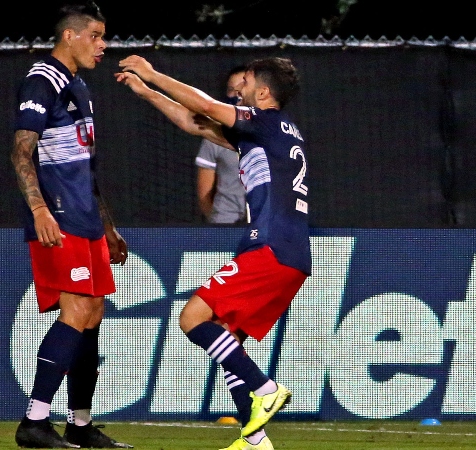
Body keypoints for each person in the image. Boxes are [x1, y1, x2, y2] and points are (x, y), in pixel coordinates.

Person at [116, 56, 310, 450]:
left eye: (246, 82)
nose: (238, 89)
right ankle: (254, 441)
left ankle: (265, 388)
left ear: (264, 93)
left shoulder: (264, 122)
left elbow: (204, 106)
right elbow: (195, 123)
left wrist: (152, 73)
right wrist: (146, 92)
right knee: (225, 335)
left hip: (271, 247)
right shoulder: (273, 132)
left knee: (192, 317)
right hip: (290, 252)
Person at [10, 2, 132, 449]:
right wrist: (39, 210)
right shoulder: (42, 80)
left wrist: (108, 225)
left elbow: (86, 167)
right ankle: (34, 421)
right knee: (77, 310)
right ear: (69, 35)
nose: (103, 45)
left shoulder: (78, 85)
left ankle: (80, 424)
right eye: (95, 36)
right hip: (58, 217)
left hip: (86, 218)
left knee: (93, 313)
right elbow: (21, 150)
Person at [195, 65, 248, 224]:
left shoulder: (272, 129)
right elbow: (204, 194)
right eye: (231, 89)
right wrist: (219, 224)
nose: (236, 94)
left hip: (263, 224)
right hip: (226, 222)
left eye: (242, 87)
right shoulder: (213, 134)